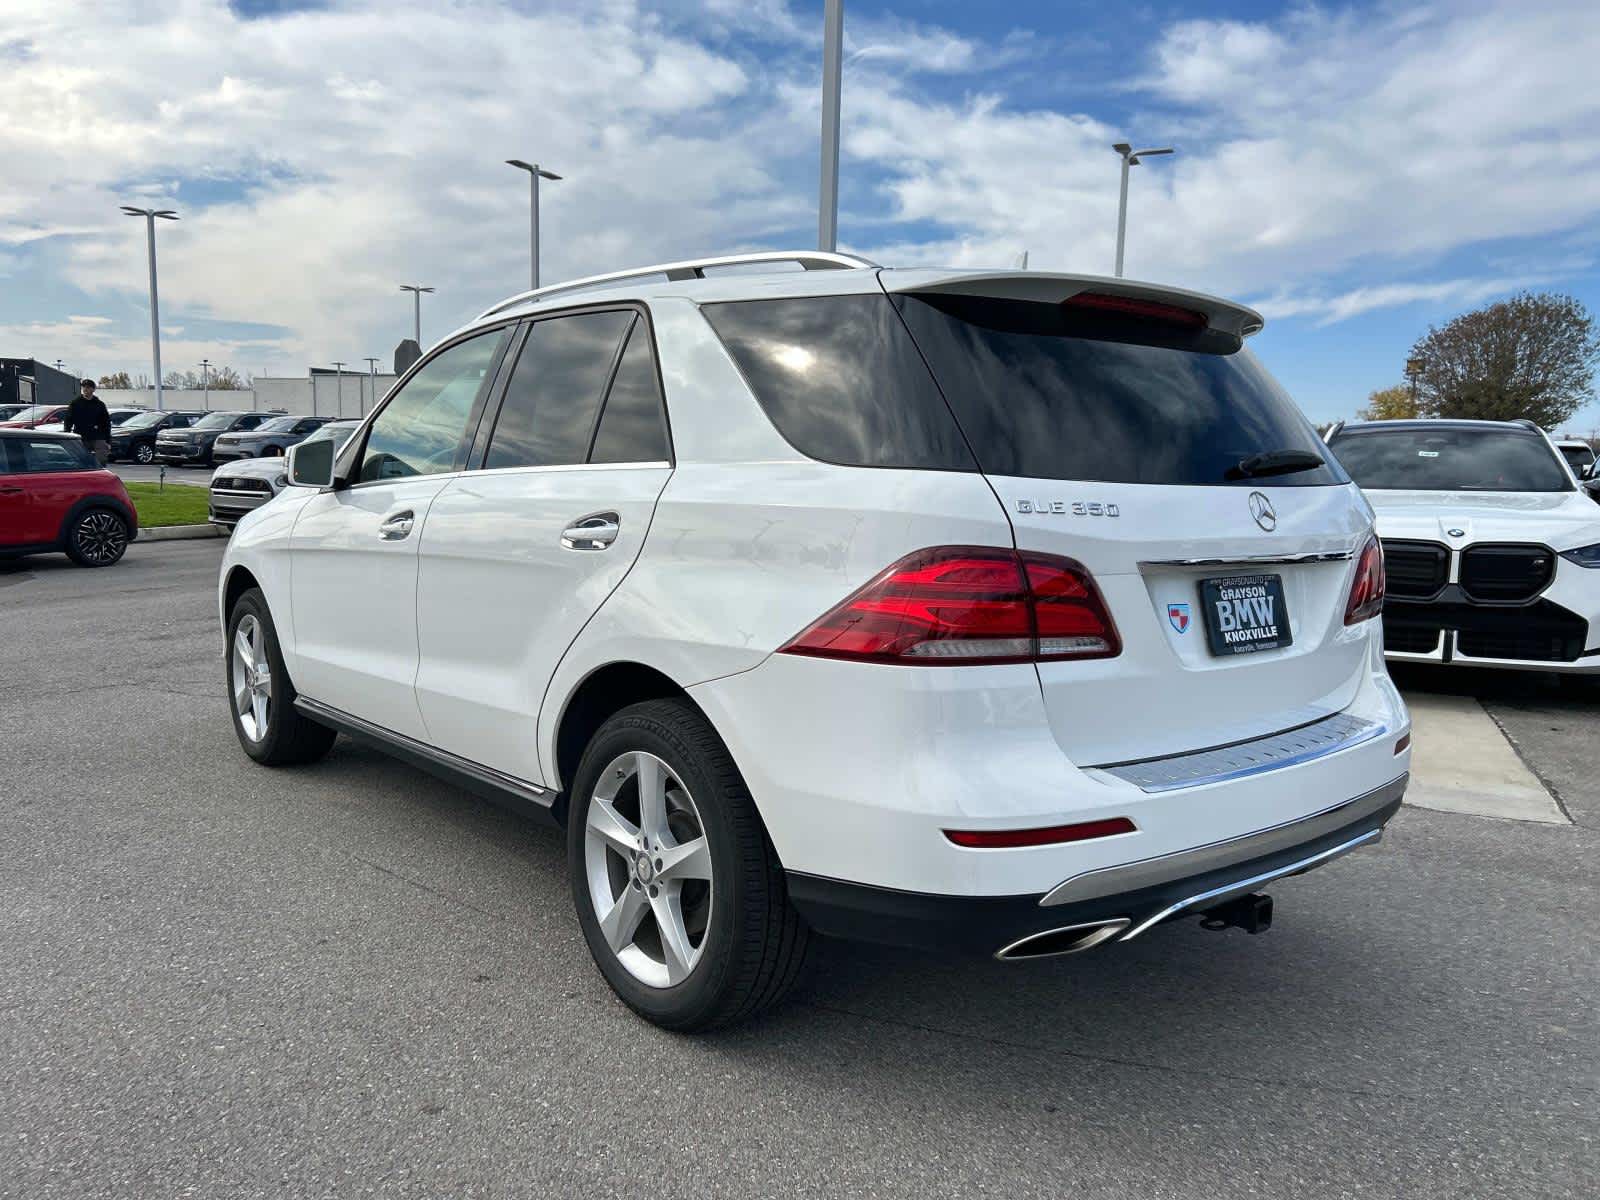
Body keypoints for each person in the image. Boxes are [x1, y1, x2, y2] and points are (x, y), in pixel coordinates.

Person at [63, 378, 112, 465]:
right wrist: (67, 434)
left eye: (88, 387)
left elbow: (106, 423)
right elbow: (68, 420)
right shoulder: (75, 403)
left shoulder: (99, 404)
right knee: (80, 460)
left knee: (101, 459)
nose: (85, 389)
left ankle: (100, 474)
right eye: (84, 387)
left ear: (93, 389)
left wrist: (108, 440)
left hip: (97, 436)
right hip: (81, 436)